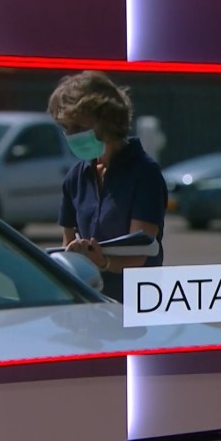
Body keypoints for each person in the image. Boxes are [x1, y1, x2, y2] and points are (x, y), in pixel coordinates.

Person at [47, 70, 167, 302]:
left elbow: (141, 252)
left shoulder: (144, 173)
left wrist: (102, 262)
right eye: (66, 127)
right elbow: (67, 242)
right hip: (90, 300)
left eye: (78, 127)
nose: (70, 136)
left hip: (137, 302)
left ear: (108, 121)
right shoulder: (76, 177)